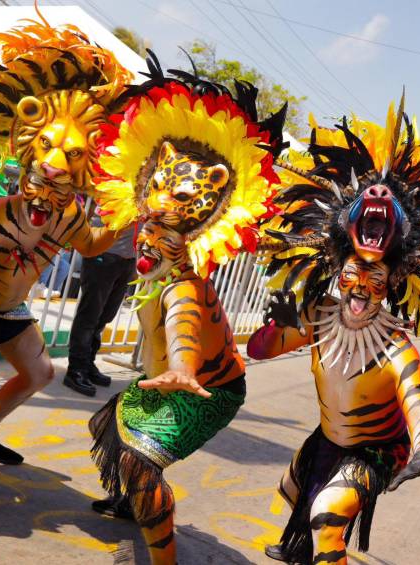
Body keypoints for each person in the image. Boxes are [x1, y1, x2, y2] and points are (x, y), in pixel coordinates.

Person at [87, 56, 287, 565]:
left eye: (171, 210)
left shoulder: (183, 282)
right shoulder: (153, 248)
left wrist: (180, 366)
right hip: (173, 377)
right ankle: (133, 504)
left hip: (209, 389)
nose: (153, 220)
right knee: (106, 426)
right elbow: (88, 243)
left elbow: (183, 322)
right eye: (150, 213)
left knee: (137, 463)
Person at [248, 97, 420, 564]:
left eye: (376, 276)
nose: (362, 284)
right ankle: (299, 545)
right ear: (335, 268)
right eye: (354, 272)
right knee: (293, 489)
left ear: (394, 282)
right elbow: (260, 351)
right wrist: (274, 325)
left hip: (379, 450)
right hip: (327, 437)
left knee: (328, 513)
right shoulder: (317, 315)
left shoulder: (397, 347)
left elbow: (419, 406)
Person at [0, 17, 129, 540]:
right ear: (30, 141)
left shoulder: (70, 217)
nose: (54, 165)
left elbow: (94, 246)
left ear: (84, 165)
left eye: (70, 155)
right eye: (48, 148)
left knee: (39, 374)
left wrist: (135, 210)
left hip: (13, 311)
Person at [64, 212, 136, 396]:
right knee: (89, 315)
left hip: (127, 258)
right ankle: (76, 369)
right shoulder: (115, 183)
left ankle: (88, 362)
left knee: (105, 315)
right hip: (103, 253)